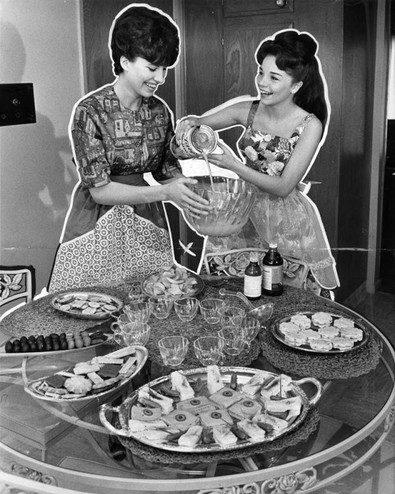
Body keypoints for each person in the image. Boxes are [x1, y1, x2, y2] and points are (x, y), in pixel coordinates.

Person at [48, 4, 209, 293]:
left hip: (145, 218)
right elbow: (99, 190)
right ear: (124, 61)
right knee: (91, 304)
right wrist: (165, 192)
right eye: (151, 67)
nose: (160, 78)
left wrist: (189, 193)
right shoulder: (90, 111)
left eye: (164, 69)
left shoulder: (159, 111)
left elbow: (165, 171)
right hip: (95, 219)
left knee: (153, 298)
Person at [175, 29, 339, 294]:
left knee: (282, 295)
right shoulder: (248, 110)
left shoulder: (310, 125)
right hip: (242, 212)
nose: (262, 82)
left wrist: (233, 165)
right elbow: (198, 123)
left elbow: (284, 187)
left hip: (286, 222)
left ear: (296, 85)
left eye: (274, 77)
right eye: (260, 72)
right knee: (230, 291)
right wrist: (189, 125)